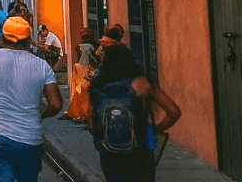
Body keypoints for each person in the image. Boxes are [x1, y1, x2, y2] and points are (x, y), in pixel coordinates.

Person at [0, 16, 63, 182]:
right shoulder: (42, 66)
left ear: (2, 39)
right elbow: (56, 104)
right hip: (31, 139)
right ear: (29, 41)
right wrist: (41, 114)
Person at [88, 44, 182, 182]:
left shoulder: (96, 86)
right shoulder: (143, 83)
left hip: (109, 152)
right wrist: (156, 129)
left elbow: (91, 124)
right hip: (141, 149)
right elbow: (174, 112)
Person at [62, 28, 98, 122]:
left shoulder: (86, 47)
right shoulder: (86, 47)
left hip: (87, 72)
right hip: (83, 71)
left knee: (81, 91)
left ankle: (84, 113)